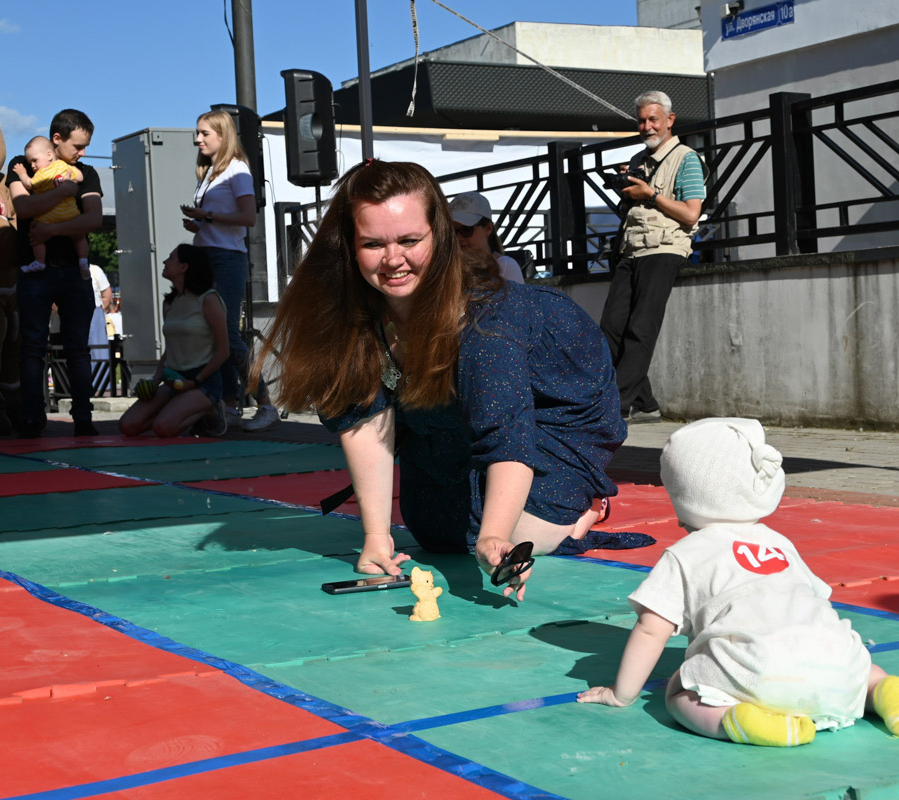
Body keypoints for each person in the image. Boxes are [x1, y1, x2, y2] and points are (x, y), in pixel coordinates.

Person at [259, 160, 627, 600]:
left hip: (553, 422)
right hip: (453, 423)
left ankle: (584, 506)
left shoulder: (486, 319)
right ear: (349, 246)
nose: (393, 259)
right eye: (373, 244)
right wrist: (376, 537)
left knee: (510, 533)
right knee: (436, 532)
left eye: (409, 240)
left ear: (440, 235)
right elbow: (365, 421)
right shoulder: (351, 311)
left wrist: (494, 539)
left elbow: (507, 435)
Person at [578, 418, 899, 747]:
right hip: (837, 668)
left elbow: (651, 630)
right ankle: (882, 689)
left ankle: (737, 721)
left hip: (764, 676)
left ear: (684, 498)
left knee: (679, 693)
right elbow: (818, 599)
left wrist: (621, 694)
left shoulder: (687, 553)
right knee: (859, 668)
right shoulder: (781, 544)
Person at [600, 90, 706, 423]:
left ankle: (617, 406)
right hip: (631, 248)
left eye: (653, 120)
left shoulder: (687, 158)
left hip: (665, 248)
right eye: (642, 121)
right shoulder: (638, 160)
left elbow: (691, 214)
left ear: (670, 120)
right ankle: (646, 404)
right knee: (611, 328)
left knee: (641, 328)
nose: (647, 127)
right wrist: (627, 187)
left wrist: (650, 194)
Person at [179, 110, 279, 432]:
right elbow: (223, 220)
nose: (198, 139)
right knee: (213, 334)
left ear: (223, 136)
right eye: (197, 133)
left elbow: (249, 217)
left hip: (227, 259)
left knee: (227, 334)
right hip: (208, 256)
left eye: (204, 133)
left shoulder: (237, 169)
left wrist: (206, 217)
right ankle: (230, 404)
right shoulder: (209, 172)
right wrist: (200, 224)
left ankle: (265, 404)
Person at [6, 109, 102, 438]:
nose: (83, 153)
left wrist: (49, 230)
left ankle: (83, 417)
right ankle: (32, 417)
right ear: (56, 140)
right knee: (33, 346)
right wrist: (62, 194)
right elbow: (23, 208)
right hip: (37, 274)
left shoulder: (85, 173)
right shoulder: (24, 164)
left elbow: (94, 219)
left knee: (77, 348)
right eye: (78, 146)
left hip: (71, 272)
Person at [119, 244, 227, 438]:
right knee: (128, 426)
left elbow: (223, 351)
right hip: (173, 380)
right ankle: (178, 410)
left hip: (202, 381)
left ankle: (211, 409)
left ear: (183, 267)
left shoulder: (208, 299)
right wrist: (155, 380)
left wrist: (195, 381)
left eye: (170, 258)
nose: (164, 261)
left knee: (163, 427)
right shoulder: (170, 303)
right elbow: (169, 350)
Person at [10, 136, 89, 279]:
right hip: (70, 213)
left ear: (49, 155)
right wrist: (71, 176)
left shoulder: (41, 174)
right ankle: (83, 260)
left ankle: (40, 262)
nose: (32, 165)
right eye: (30, 162)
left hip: (49, 217)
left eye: (34, 160)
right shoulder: (63, 166)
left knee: (37, 237)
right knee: (79, 236)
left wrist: (22, 173)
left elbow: (29, 184)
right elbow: (80, 177)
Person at [448, 191, 524, 283]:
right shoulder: (447, 267)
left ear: (488, 228)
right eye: (453, 231)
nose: (458, 238)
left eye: (466, 229)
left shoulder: (505, 266)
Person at [87, 263, 112, 394]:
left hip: (94, 310)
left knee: (98, 349)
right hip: (74, 311)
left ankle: (101, 385)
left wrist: (100, 310)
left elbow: (107, 292)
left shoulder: (95, 269)